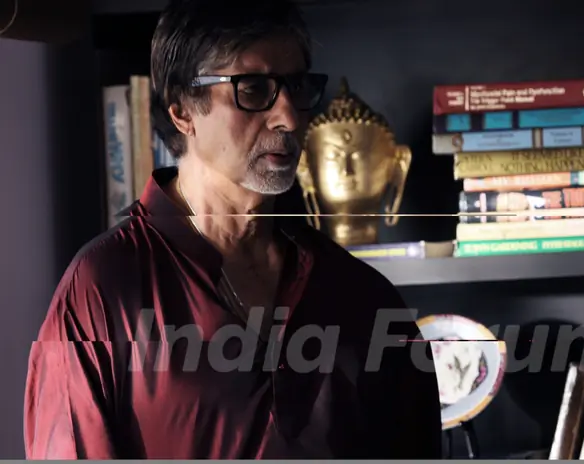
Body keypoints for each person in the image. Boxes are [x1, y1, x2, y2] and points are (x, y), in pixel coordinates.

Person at [23, 0, 442, 458]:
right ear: (183, 110)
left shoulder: (363, 297)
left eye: (296, 86)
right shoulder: (102, 290)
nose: (289, 118)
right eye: (254, 89)